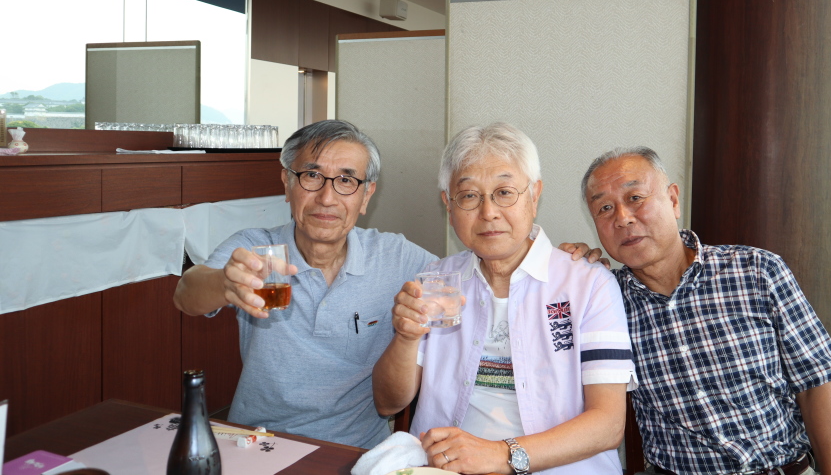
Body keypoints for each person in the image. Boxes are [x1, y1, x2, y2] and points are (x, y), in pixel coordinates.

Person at [373, 123, 637, 474]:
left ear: (534, 195)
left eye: (504, 192)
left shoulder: (588, 284)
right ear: (448, 204)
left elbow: (608, 425)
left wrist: (501, 454)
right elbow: (388, 404)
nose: (488, 213)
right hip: (443, 467)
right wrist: (406, 338)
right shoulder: (436, 281)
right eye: (469, 196)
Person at [575, 146, 831, 475]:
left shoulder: (758, 271)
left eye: (635, 197)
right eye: (605, 208)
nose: (622, 218)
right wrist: (567, 272)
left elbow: (816, 388)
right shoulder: (603, 302)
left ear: (673, 200)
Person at [173, 120, 437, 449]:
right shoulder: (256, 248)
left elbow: (462, 280)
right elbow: (186, 294)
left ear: (366, 195)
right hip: (258, 442)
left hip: (356, 451)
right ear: (287, 183)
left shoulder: (396, 257)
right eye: (312, 175)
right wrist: (224, 283)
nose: (326, 198)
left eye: (346, 180)